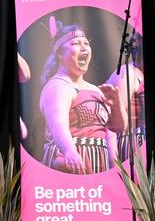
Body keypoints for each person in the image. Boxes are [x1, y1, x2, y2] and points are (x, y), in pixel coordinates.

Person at [39, 21, 124, 174]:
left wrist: (116, 104)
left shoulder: (95, 89)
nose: (84, 47)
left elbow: (115, 130)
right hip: (71, 162)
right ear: (60, 53)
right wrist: (70, 151)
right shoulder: (58, 86)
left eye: (86, 43)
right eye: (76, 43)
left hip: (98, 161)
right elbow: (58, 124)